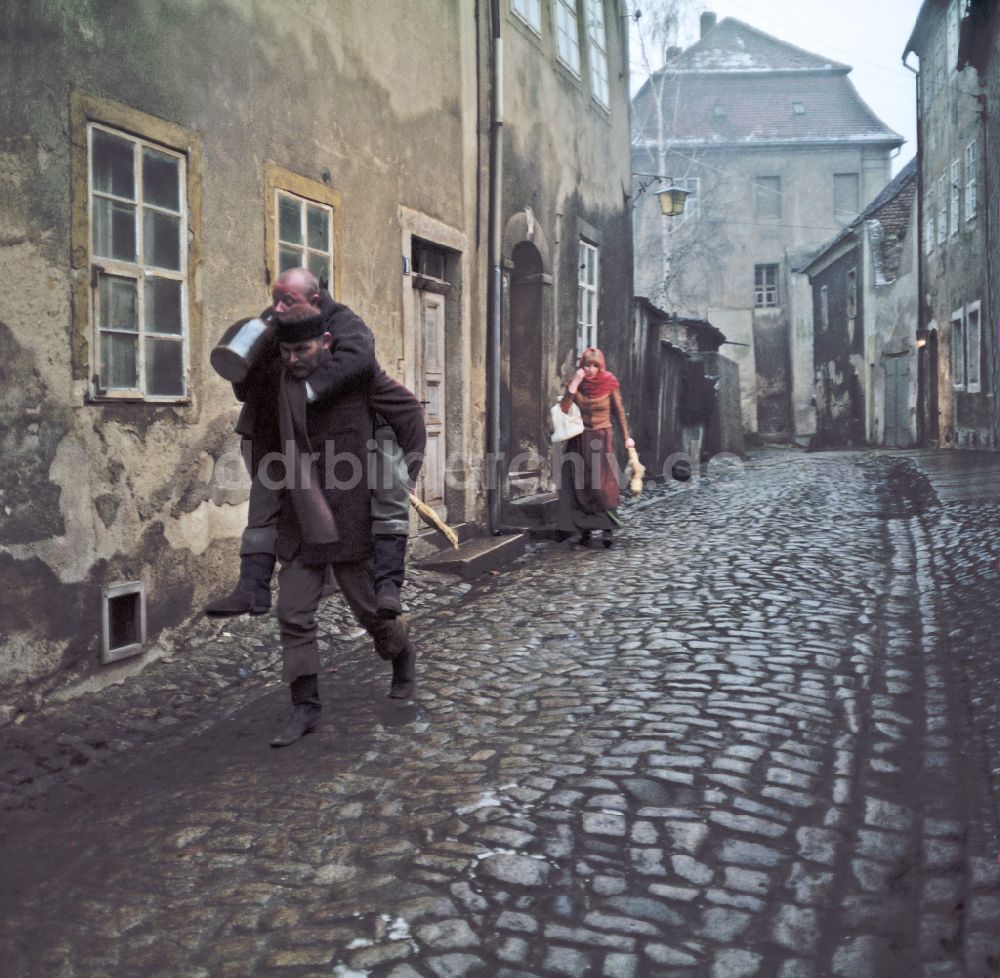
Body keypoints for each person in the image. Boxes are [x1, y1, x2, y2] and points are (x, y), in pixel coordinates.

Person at [253, 303, 427, 747]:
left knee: (373, 614)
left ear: (326, 343)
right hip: (300, 522)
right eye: (287, 352)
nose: (295, 360)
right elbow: (262, 445)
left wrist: (401, 477)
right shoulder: (279, 388)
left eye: (304, 349)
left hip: (351, 522)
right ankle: (305, 706)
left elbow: (409, 415)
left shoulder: (359, 378)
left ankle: (401, 656)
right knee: (293, 615)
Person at [204, 267, 413, 620]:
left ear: (314, 300)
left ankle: (389, 588)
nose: (279, 307)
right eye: (275, 298)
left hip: (345, 443)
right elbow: (245, 381)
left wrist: (309, 391)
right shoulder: (273, 325)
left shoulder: (344, 323)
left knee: (387, 498)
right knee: (264, 503)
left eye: (288, 299)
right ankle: (251, 587)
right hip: (274, 434)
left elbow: (361, 362)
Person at [556, 346, 634, 548]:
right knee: (581, 485)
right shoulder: (578, 383)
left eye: (595, 365)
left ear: (601, 366)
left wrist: (627, 438)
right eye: (587, 365)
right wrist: (575, 383)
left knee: (603, 486)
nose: (591, 369)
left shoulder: (609, 382)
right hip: (579, 439)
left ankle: (607, 528)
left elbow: (619, 411)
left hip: (602, 438)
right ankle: (585, 530)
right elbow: (564, 409)